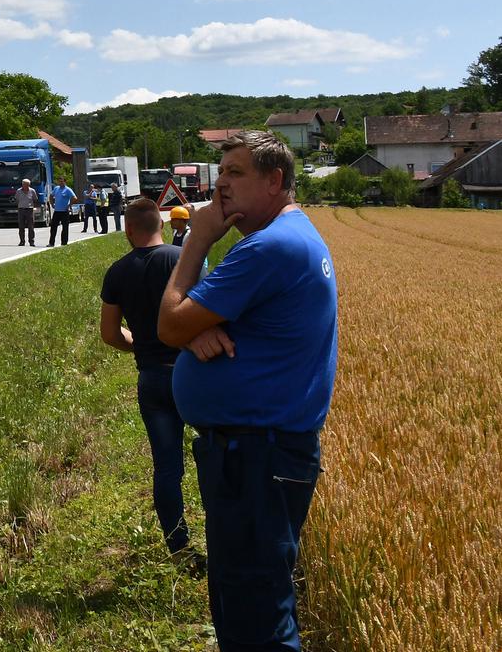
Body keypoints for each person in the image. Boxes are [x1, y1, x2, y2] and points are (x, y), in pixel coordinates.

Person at [157, 130, 338, 652]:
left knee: (258, 618)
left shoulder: (270, 248)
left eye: (235, 174)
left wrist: (196, 240)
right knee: (247, 605)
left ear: (274, 180)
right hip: (261, 453)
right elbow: (188, 322)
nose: (221, 188)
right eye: (221, 174)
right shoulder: (290, 237)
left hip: (257, 455)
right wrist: (196, 327)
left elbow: (168, 324)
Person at [99, 198, 191, 557]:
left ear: (128, 231)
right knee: (215, 454)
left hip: (151, 377)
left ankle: (178, 546)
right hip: (192, 374)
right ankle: (228, 542)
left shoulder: (117, 272)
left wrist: (140, 343)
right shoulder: (182, 259)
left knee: (166, 466)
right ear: (163, 226)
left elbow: (109, 334)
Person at [48, 180, 77, 246]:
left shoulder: (68, 190)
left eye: (62, 181)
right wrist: (52, 204)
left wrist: (69, 205)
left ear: (65, 182)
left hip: (64, 211)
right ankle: (51, 243)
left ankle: (64, 243)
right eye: (60, 181)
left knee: (65, 228)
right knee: (53, 227)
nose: (61, 183)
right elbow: (51, 196)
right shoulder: (56, 188)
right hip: (57, 211)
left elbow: (74, 198)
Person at [12, 178, 39, 246]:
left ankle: (31, 241)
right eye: (24, 184)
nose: (25, 186)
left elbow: (35, 199)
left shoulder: (32, 191)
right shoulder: (18, 191)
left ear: (29, 185)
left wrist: (32, 206)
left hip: (29, 210)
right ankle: (22, 241)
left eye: (27, 185)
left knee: (31, 227)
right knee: (21, 226)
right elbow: (16, 199)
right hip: (21, 210)